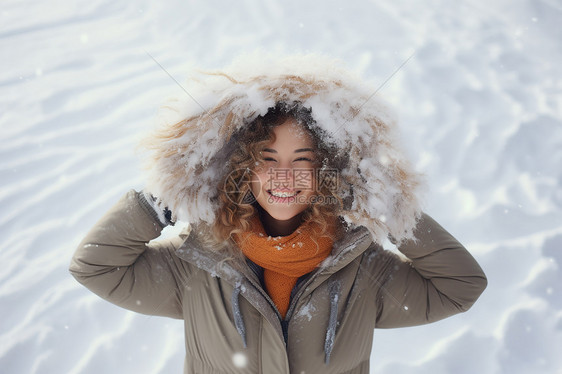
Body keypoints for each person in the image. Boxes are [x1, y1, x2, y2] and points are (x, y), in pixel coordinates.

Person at [69, 55, 487, 374]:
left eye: (302, 160)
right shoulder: (197, 262)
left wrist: (388, 209)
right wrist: (160, 201)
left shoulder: (364, 268)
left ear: (329, 171)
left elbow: (460, 286)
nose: (284, 176)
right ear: (240, 169)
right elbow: (96, 268)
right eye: (266, 158)